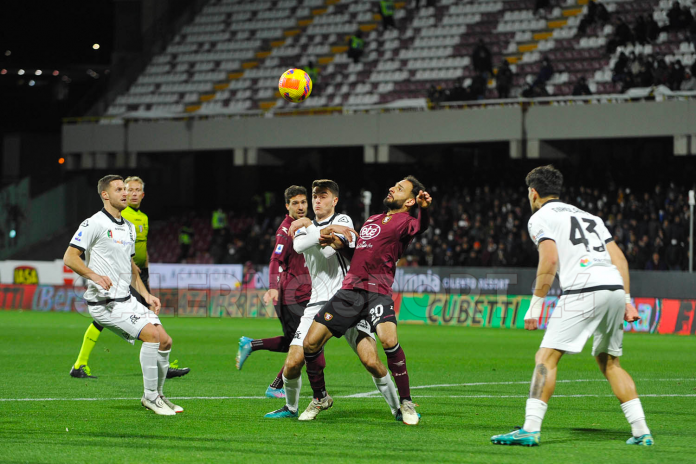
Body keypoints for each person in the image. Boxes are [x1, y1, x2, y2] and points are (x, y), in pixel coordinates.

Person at [491, 165, 652, 446]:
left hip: (584, 290)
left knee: (546, 357)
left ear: (533, 192)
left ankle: (530, 428)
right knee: (610, 362)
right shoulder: (591, 217)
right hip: (614, 288)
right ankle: (642, 431)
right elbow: (621, 260)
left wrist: (536, 304)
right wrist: (627, 301)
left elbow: (550, 259)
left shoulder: (540, 217)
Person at [264, 179, 402, 421]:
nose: (317, 200)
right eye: (315, 196)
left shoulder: (343, 220)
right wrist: (319, 231)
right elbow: (299, 245)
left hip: (348, 300)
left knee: (371, 360)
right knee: (293, 362)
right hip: (316, 302)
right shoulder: (305, 228)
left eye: (323, 196)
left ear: (334, 200)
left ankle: (398, 408)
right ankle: (291, 407)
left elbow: (334, 247)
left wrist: (313, 228)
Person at [298, 176, 432, 425]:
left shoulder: (406, 222)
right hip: (349, 291)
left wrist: (425, 209)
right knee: (310, 344)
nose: (392, 188)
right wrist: (339, 244)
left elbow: (422, 226)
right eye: (393, 185)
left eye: (400, 188)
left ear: (411, 200)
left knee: (389, 340)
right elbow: (358, 253)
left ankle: (406, 403)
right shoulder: (372, 220)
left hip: (377, 291)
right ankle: (320, 397)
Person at [64, 175, 181, 415]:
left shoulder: (128, 226)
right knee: (151, 337)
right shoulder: (93, 223)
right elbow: (70, 257)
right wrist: (94, 275)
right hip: (104, 303)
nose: (125, 193)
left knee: (165, 340)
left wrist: (146, 295)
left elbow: (131, 268)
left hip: (126, 299)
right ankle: (149, 398)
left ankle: (158, 394)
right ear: (105, 195)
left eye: (126, 190)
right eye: (119, 190)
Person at [236, 186, 312, 399]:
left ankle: (251, 345)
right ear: (287, 206)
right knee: (305, 345)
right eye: (295, 203)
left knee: (296, 342)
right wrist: (272, 287)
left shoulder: (305, 226)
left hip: (305, 294)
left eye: (303, 202)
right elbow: (275, 259)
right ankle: (276, 386)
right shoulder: (285, 230)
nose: (300, 207)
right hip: (292, 296)